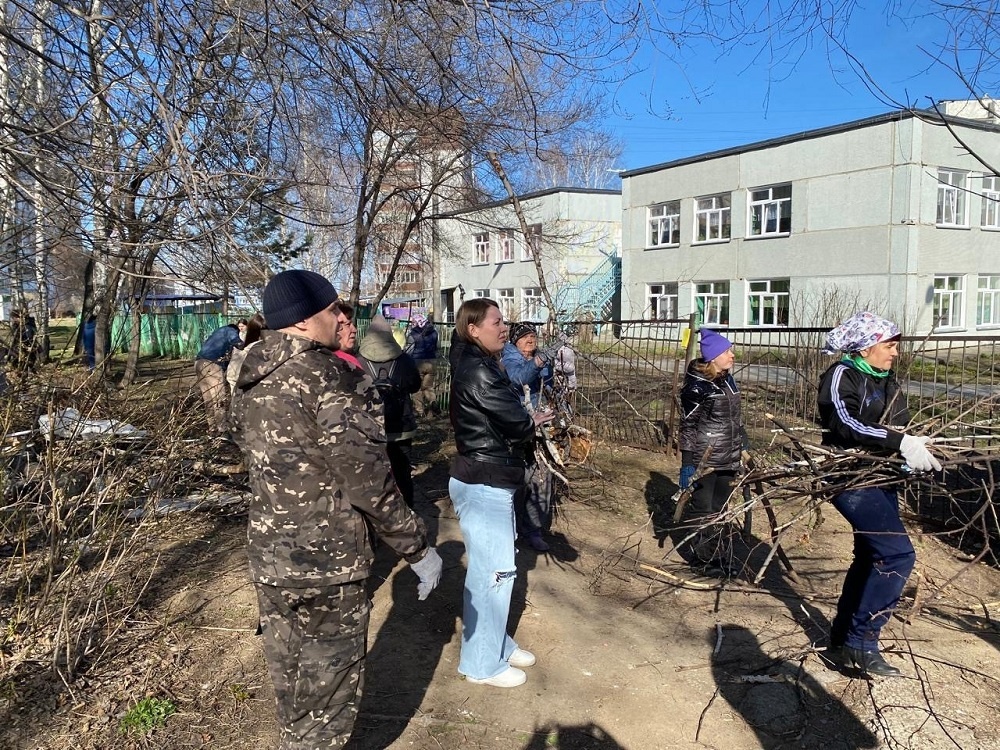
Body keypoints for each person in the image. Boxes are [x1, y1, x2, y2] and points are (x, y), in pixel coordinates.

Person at [230, 269, 442, 749]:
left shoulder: (246, 375)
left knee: (290, 681)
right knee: (328, 696)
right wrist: (417, 547)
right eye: (333, 310)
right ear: (305, 322)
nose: (341, 317)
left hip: (270, 558)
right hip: (329, 564)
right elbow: (370, 480)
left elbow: (242, 442)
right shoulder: (331, 376)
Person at [818, 311, 940, 678]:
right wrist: (899, 441)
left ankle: (841, 643)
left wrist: (909, 448)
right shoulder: (842, 374)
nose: (895, 352)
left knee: (871, 554)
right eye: (889, 345)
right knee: (897, 553)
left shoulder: (887, 379)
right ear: (867, 346)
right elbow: (846, 422)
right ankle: (862, 642)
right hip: (848, 476)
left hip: (880, 476)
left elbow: (895, 424)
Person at [449, 299, 553, 688]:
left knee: (495, 570)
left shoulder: (481, 363)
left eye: (504, 320)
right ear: (474, 329)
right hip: (483, 479)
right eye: (497, 321)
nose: (504, 326)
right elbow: (511, 419)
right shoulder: (478, 369)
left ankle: (497, 645)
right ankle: (480, 664)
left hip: (490, 476)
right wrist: (529, 421)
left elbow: (508, 416)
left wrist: (525, 420)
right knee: (492, 574)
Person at [677, 328, 744, 575]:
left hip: (729, 455)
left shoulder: (728, 379)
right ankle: (703, 559)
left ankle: (719, 556)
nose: (732, 355)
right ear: (713, 356)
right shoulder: (695, 387)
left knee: (721, 509)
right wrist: (687, 463)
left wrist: (743, 445)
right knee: (704, 510)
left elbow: (735, 418)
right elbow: (687, 426)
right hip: (705, 458)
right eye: (727, 351)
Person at [501, 321, 555, 552]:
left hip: (540, 431)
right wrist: (540, 361)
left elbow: (548, 386)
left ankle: (533, 529)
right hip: (515, 430)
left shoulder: (537, 358)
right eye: (524, 337)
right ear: (515, 341)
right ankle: (508, 531)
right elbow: (518, 378)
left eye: (533, 336)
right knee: (516, 482)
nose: (530, 341)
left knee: (541, 479)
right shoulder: (509, 359)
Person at [358, 314, 421, 508]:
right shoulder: (404, 360)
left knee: (375, 474)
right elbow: (415, 386)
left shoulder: (357, 360)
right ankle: (407, 510)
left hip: (371, 428)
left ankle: (381, 513)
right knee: (402, 473)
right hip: (401, 428)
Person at [194, 320, 244, 433]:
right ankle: (222, 429)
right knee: (219, 398)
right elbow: (239, 344)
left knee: (208, 398)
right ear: (235, 329)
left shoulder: (218, 333)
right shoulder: (230, 330)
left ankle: (211, 427)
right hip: (211, 364)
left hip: (198, 363)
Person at [406, 312, 439, 415]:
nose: (412, 323)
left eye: (413, 322)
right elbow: (438, 347)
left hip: (417, 362)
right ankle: (432, 402)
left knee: (417, 388)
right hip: (431, 361)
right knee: (428, 387)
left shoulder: (413, 334)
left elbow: (409, 350)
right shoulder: (434, 332)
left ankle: (419, 411)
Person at [226, 313, 265, 391]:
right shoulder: (281, 350)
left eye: (242, 326)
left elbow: (232, 377)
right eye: (239, 326)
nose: (240, 328)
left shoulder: (247, 351)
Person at [331, 300, 361, 370]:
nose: (354, 330)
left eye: (352, 324)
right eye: (347, 324)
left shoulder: (354, 358)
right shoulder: (338, 364)